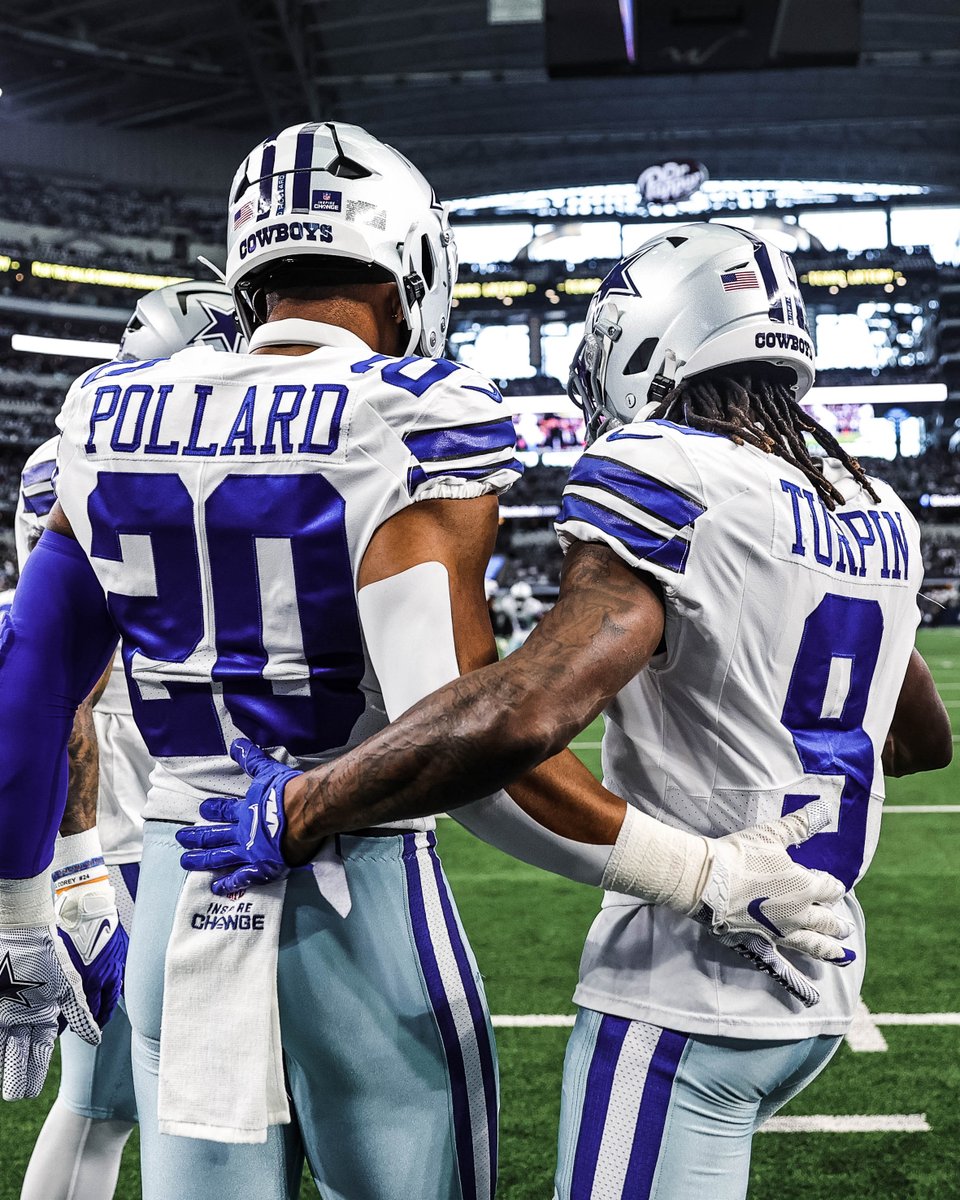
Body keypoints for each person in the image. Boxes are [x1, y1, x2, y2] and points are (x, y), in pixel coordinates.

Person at [0, 129, 846, 1200]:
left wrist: (22, 904)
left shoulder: (107, 414)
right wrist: (705, 874)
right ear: (407, 259)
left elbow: (32, 684)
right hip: (362, 899)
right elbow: (463, 743)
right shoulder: (411, 412)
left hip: (181, 885)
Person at [179, 224, 952, 1199]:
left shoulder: (671, 473)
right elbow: (920, 738)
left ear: (650, 340)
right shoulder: (873, 506)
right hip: (818, 976)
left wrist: (305, 803)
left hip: (685, 983)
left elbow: (516, 717)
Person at [15, 280, 244, 1200]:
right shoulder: (92, 459)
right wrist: (74, 865)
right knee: (120, 1092)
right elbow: (64, 675)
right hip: (126, 800)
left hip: (151, 789)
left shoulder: (92, 446)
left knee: (125, 1091)